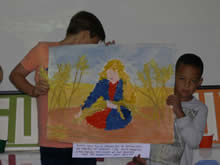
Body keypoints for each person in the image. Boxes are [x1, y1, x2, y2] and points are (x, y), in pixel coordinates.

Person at [9, 10, 113, 165]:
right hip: (51, 142)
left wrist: (113, 56)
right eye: (95, 42)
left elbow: (108, 86)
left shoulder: (94, 56)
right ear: (86, 34)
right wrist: (33, 90)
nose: (95, 47)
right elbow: (15, 75)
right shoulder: (43, 50)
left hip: (84, 143)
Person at [129, 53, 208, 165]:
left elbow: (194, 142)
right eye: (181, 78)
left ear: (199, 82)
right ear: (173, 76)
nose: (186, 85)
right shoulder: (159, 99)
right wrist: (143, 158)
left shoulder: (200, 108)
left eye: (193, 81)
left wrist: (179, 112)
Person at [76, 59, 136, 130]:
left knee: (115, 123)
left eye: (114, 73)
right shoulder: (103, 84)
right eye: (109, 73)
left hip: (120, 113)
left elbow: (129, 104)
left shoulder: (125, 85)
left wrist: (116, 106)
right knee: (91, 119)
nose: (111, 75)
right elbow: (92, 97)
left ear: (120, 73)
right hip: (105, 110)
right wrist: (83, 110)